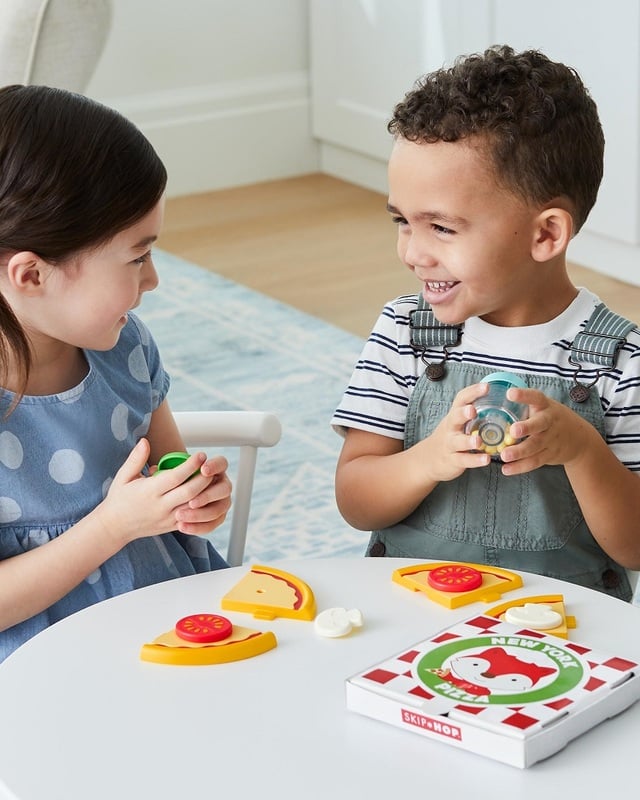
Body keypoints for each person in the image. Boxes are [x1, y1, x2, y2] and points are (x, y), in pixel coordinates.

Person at [332, 45, 640, 600]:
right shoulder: (406, 334)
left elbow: (636, 547)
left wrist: (581, 449)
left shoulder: (622, 362)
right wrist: (430, 458)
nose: (413, 253)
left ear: (546, 234)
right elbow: (356, 500)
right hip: (413, 610)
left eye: (442, 229)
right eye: (403, 221)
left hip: (559, 632)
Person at [0, 84, 232, 661]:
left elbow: (167, 469)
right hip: (40, 666)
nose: (152, 279)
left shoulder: (122, 346)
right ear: (31, 275)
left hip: (170, 623)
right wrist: (112, 528)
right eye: (137, 256)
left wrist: (193, 499)